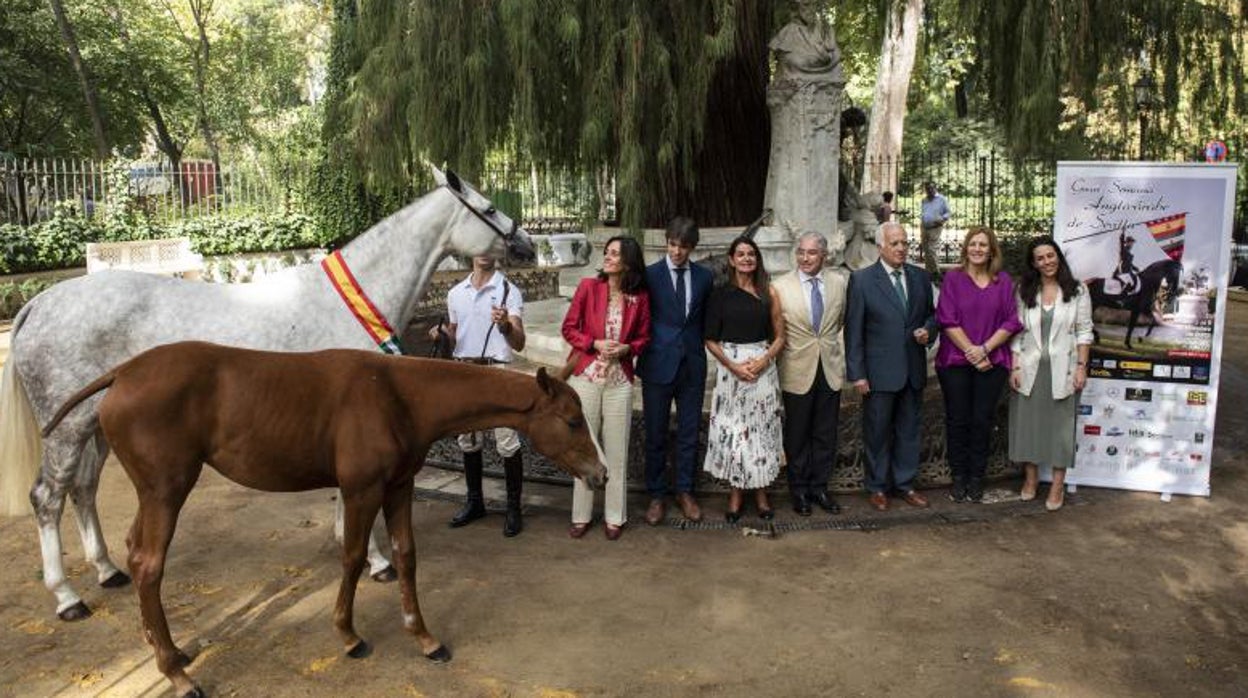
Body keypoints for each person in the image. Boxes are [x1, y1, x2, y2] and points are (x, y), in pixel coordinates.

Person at [561, 236, 651, 540]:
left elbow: (644, 337)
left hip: (619, 382)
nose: (608, 257)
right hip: (585, 378)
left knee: (616, 449)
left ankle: (615, 516)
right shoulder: (589, 287)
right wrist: (594, 343)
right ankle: (581, 515)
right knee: (584, 448)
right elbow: (569, 328)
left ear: (628, 261)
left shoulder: (639, 297)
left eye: (615, 254)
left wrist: (627, 349)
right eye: (607, 252)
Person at [845, 222, 938, 511]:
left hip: (912, 369)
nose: (901, 248)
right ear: (880, 246)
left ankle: (906, 484)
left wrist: (928, 331)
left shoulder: (920, 278)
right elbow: (854, 331)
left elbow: (933, 317)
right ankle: (877, 487)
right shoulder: (861, 281)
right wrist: (857, 374)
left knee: (909, 430)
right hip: (878, 373)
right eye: (895, 243)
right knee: (877, 431)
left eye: (904, 243)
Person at [437, 255, 528, 536]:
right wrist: (441, 334)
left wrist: (504, 326)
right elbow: (455, 338)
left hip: (498, 371)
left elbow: (520, 342)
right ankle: (475, 501)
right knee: (468, 440)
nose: (483, 252)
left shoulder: (509, 290)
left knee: (507, 441)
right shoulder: (455, 293)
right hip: (466, 372)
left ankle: (514, 508)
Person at [934, 227, 1023, 503]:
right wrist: (972, 352)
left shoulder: (1003, 282)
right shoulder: (953, 279)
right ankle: (958, 477)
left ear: (991, 250)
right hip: (955, 362)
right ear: (966, 248)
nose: (977, 249)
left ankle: (976, 478)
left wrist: (984, 349)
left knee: (982, 421)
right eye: (973, 244)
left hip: (992, 361)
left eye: (983, 245)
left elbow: (1012, 321)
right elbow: (946, 319)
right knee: (958, 420)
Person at [703, 237, 786, 521]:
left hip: (763, 367)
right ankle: (736, 493)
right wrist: (733, 366)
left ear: (757, 259)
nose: (747, 258)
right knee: (737, 433)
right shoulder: (719, 295)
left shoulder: (768, 292)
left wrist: (764, 360)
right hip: (731, 370)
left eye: (752, 254)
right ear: (731, 259)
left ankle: (762, 492)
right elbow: (711, 340)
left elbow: (780, 336)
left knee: (761, 431)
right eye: (741, 254)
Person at [638, 217, 713, 525]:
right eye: (672, 244)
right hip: (657, 364)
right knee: (655, 432)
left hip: (692, 365)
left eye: (683, 246)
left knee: (688, 433)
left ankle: (685, 491)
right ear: (666, 242)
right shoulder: (649, 275)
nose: (677, 251)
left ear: (692, 248)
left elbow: (707, 320)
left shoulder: (705, 277)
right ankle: (656, 495)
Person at [1009, 237, 1093, 512]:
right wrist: (1015, 366)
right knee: (1028, 427)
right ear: (1033, 263)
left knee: (1060, 431)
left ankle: (1057, 486)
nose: (1047, 262)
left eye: (1050, 255)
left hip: (1064, 371)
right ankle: (1031, 480)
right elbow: (1017, 333)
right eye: (1040, 258)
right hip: (1030, 370)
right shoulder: (1024, 289)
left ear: (1058, 256)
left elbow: (1084, 331)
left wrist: (1081, 366)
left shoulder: (1077, 290)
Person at [773, 231, 849, 515]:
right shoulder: (780, 286)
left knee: (825, 434)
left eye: (812, 253)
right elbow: (776, 330)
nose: (805, 258)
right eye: (801, 252)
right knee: (797, 435)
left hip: (829, 369)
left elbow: (839, 322)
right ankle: (799, 491)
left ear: (824, 255)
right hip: (796, 370)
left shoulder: (839, 284)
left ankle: (820, 488)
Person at [919, 181, 951, 276]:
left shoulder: (942, 199)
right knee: (926, 249)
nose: (929, 191)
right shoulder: (924, 200)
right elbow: (924, 211)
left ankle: (936, 272)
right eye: (927, 189)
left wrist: (942, 219)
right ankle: (929, 271)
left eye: (931, 188)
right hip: (924, 226)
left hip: (935, 227)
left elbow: (948, 213)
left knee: (932, 249)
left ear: (935, 188)